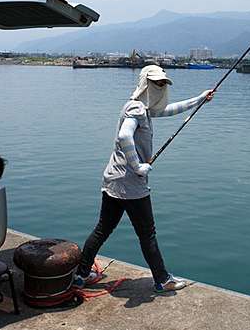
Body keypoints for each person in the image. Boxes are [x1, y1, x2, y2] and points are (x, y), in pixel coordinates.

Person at [74, 64, 214, 293]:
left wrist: (199, 99)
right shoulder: (137, 109)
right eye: (155, 83)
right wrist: (138, 166)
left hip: (114, 181)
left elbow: (168, 110)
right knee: (147, 234)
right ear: (144, 83)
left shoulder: (140, 107)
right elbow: (124, 135)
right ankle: (162, 280)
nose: (159, 87)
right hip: (131, 186)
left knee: (103, 229)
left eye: (162, 83)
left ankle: (80, 275)